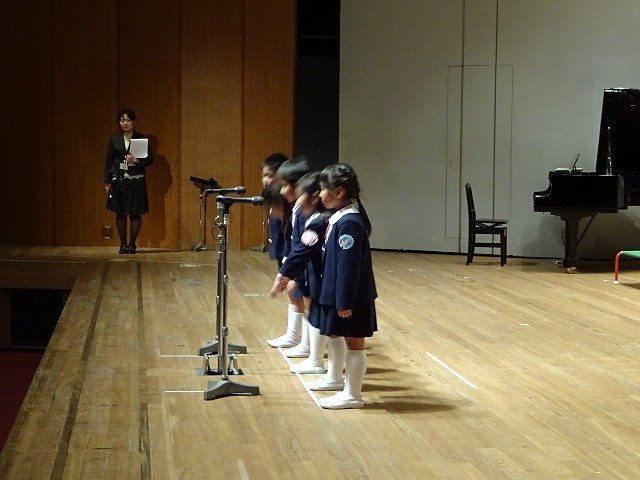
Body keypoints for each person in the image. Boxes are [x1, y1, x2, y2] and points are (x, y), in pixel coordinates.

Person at [307, 163, 377, 409]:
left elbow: (348, 267)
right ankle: (334, 378)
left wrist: (344, 301)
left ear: (339, 192)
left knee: (354, 345)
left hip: (351, 297)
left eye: (323, 189)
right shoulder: (339, 218)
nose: (319, 195)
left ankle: (353, 395)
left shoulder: (350, 223)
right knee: (335, 334)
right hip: (338, 294)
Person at [269, 172, 331, 374]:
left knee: (318, 314)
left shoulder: (318, 219)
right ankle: (310, 352)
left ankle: (316, 360)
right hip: (309, 268)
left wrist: (286, 274)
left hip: (316, 271)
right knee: (314, 312)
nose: (285, 192)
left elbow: (304, 248)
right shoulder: (309, 214)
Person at [266, 156, 311, 349]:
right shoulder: (294, 209)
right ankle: (295, 337)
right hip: (294, 260)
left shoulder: (305, 213)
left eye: (285, 185)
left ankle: (308, 345)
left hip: (306, 264)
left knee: (309, 300)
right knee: (295, 294)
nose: (282, 191)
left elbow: (303, 245)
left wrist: (292, 273)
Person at [103, 108, 154, 254]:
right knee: (120, 212)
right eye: (122, 120)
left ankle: (132, 245)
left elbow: (150, 160)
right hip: (118, 180)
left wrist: (136, 160)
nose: (125, 123)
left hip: (136, 179)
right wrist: (107, 181)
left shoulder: (141, 138)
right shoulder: (115, 139)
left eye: (128, 120)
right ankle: (122, 244)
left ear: (134, 122)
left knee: (135, 213)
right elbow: (109, 160)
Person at [261, 153, 288, 267]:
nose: (265, 180)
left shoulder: (286, 203)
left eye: (270, 176)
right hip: (280, 254)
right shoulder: (271, 197)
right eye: (263, 175)